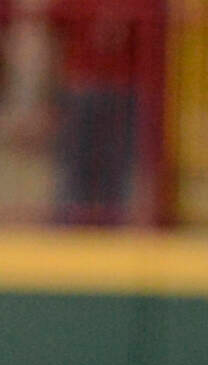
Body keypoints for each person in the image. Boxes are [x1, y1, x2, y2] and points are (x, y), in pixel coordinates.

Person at [49, 0, 146, 226]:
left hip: (125, 88)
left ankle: (111, 235)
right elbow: (56, 35)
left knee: (115, 173)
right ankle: (69, 238)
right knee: (75, 171)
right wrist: (51, 96)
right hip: (82, 86)